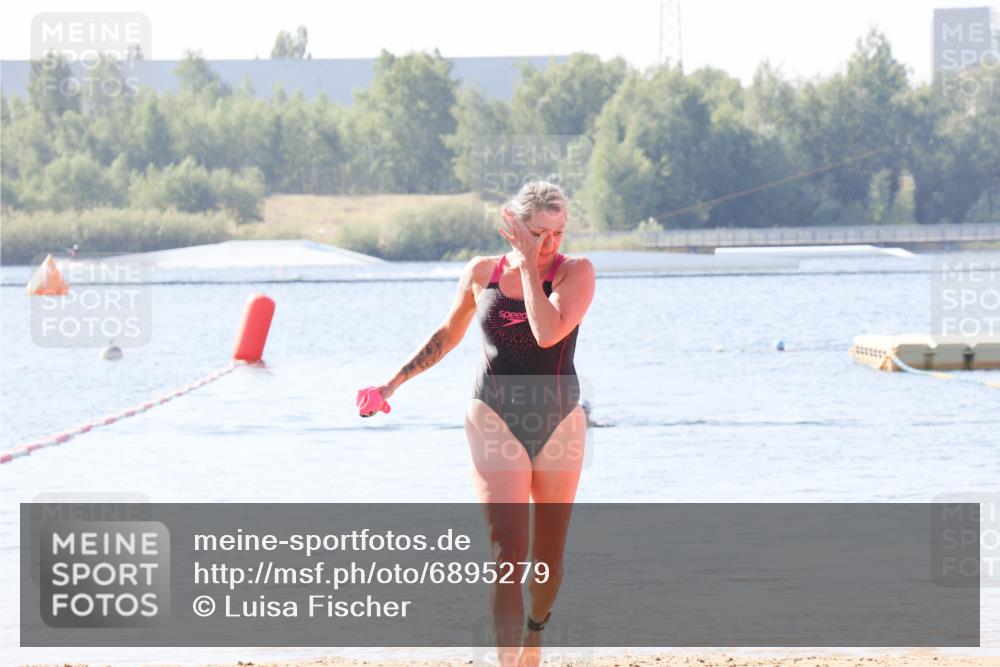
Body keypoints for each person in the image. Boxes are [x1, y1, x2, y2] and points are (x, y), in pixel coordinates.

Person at [362, 181, 596, 667]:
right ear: (514, 227)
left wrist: (532, 266)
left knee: (547, 562)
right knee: (508, 552)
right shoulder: (482, 273)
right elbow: (447, 335)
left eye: (557, 232)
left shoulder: (577, 272)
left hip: (559, 420)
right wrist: (392, 384)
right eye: (537, 232)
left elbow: (547, 332)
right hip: (493, 412)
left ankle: (534, 637)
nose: (548, 243)